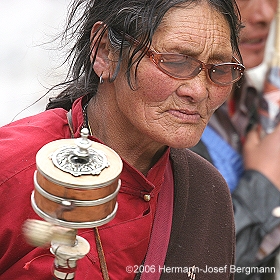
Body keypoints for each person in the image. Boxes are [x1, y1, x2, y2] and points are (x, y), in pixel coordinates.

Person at [0, 0, 244, 279]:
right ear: (104, 51)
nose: (199, 91)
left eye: (220, 69)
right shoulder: (12, 170)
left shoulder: (205, 193)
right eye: (176, 61)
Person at [191, 0, 279, 279]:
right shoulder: (168, 121)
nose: (265, 14)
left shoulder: (252, 102)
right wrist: (264, 180)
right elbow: (197, 270)